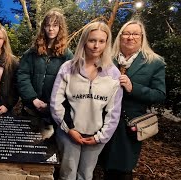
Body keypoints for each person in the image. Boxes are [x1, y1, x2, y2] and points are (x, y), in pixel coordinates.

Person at [50, 21, 123, 180]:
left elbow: (114, 111)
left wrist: (100, 137)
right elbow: (56, 103)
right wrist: (69, 129)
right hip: (69, 132)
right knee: (67, 173)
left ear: (107, 43)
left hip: (96, 136)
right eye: (92, 40)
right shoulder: (68, 68)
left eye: (101, 41)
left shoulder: (113, 74)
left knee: (86, 174)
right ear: (84, 41)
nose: (96, 46)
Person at [99, 20, 166, 180]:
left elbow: (159, 94)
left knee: (122, 169)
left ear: (142, 37)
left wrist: (133, 87)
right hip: (102, 121)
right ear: (120, 36)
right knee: (100, 165)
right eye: (126, 33)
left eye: (135, 34)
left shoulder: (154, 62)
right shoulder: (107, 58)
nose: (130, 37)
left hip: (129, 125)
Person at [17, 8, 73, 138]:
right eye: (47, 25)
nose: (51, 29)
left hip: (54, 113)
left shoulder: (67, 55)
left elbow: (70, 84)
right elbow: (22, 76)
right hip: (31, 110)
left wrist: (52, 104)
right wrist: (33, 99)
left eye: (55, 25)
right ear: (43, 28)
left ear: (60, 28)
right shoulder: (32, 52)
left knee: (50, 152)